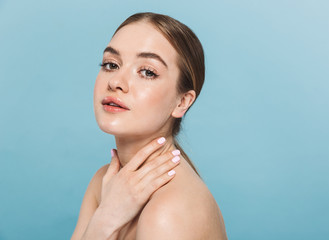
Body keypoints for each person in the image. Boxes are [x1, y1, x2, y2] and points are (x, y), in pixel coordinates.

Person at [71, 12, 227, 240]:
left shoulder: (168, 210)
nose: (116, 82)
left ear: (182, 102)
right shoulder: (104, 184)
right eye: (111, 64)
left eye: (147, 72)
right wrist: (105, 220)